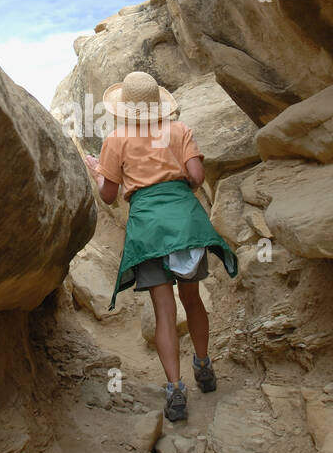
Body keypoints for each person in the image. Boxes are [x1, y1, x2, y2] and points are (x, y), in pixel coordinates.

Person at [85, 70, 238, 422]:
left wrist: (97, 172)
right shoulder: (179, 130)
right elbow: (197, 178)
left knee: (164, 310)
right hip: (185, 222)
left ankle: (175, 388)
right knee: (193, 298)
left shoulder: (116, 140)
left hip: (148, 229)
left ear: (125, 108)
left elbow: (108, 197)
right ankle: (203, 365)